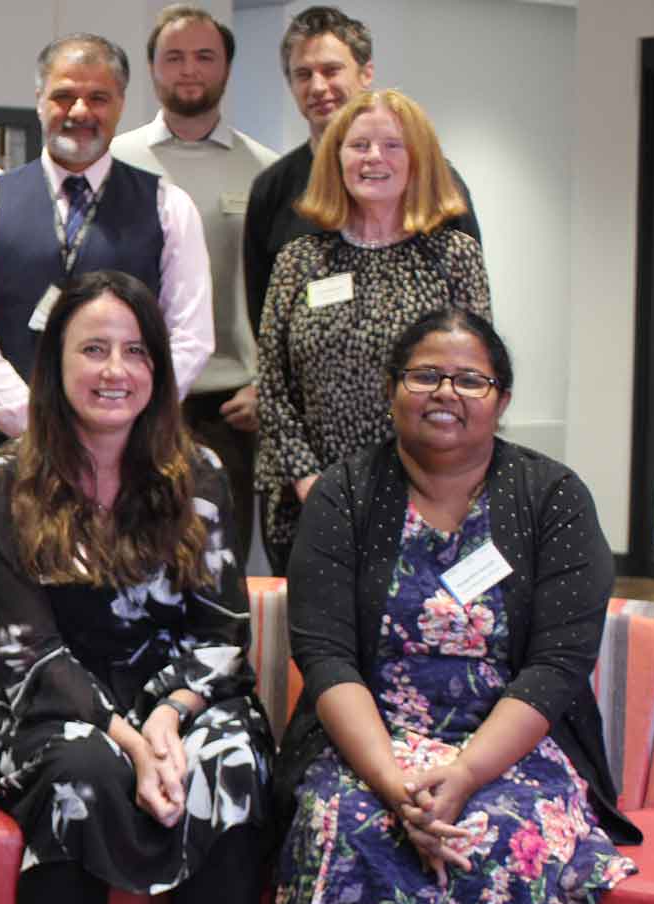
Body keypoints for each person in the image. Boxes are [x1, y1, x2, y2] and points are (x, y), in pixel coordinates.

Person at [271, 307, 639, 904]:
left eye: (471, 379)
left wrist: (464, 773)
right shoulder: (343, 495)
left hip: (508, 750)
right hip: (370, 737)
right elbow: (327, 655)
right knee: (347, 817)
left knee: (495, 831)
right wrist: (392, 781)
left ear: (500, 399)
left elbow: (556, 666)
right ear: (391, 388)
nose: (448, 392)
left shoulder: (552, 498)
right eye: (426, 374)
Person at [0, 270, 271, 904]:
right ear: (55, 365)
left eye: (135, 352)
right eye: (92, 349)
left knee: (229, 764)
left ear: (159, 369)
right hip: (50, 699)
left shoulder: (197, 472)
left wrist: (168, 719)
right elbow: (26, 644)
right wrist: (133, 743)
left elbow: (223, 629)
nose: (115, 370)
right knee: (83, 773)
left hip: (180, 696)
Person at [253, 88, 490, 573]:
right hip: (311, 502)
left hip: (429, 500)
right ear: (336, 158)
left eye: (392, 145)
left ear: (418, 159)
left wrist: (434, 489)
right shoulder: (300, 261)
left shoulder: (455, 257)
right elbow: (274, 386)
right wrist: (308, 481)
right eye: (359, 145)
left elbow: (475, 384)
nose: (374, 158)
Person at [0, 32, 212, 453]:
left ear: (121, 104)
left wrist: (128, 417)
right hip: (17, 444)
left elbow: (191, 335)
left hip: (136, 447)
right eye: (64, 96)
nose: (80, 111)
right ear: (39, 99)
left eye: (98, 98)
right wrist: (34, 423)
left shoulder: (169, 208)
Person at [111, 4, 278, 563]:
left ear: (226, 67)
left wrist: (267, 388)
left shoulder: (265, 171)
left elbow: (284, 295)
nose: (189, 70)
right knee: (131, 555)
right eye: (173, 57)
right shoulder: (116, 161)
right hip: (134, 395)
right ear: (152, 68)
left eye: (204, 56)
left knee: (219, 564)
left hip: (231, 404)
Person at [242, 5, 480, 336]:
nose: (318, 87)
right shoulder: (272, 188)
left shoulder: (435, 181)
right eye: (303, 74)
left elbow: (474, 332)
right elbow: (266, 326)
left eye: (331, 70)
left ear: (366, 73)